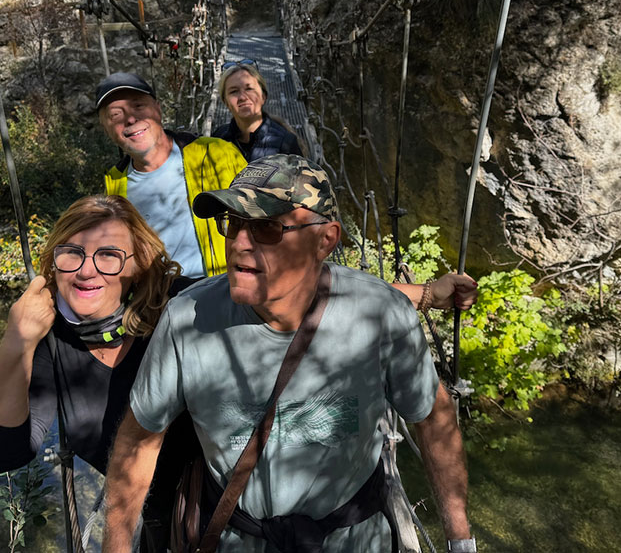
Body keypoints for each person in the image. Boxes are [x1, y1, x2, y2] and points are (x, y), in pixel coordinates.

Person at [102, 155, 475, 553]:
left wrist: (459, 540)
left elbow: (433, 417)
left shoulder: (382, 314)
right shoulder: (186, 320)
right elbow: (139, 439)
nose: (239, 244)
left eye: (266, 227)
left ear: (325, 239)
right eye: (233, 223)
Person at [0, 195, 198, 551]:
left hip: (226, 515)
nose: (87, 271)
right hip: (156, 529)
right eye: (72, 253)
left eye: (109, 255)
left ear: (139, 264)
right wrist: (16, 340)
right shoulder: (53, 338)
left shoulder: (183, 306)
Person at [97, 71, 247, 278]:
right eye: (115, 115)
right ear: (106, 129)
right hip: (160, 296)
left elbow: (263, 219)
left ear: (158, 109)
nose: (130, 119)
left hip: (226, 287)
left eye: (138, 106)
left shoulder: (218, 155)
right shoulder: (114, 187)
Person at [212, 61, 304, 160]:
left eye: (249, 89)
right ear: (226, 102)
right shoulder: (219, 138)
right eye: (234, 91)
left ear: (263, 96)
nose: (243, 97)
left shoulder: (286, 143)